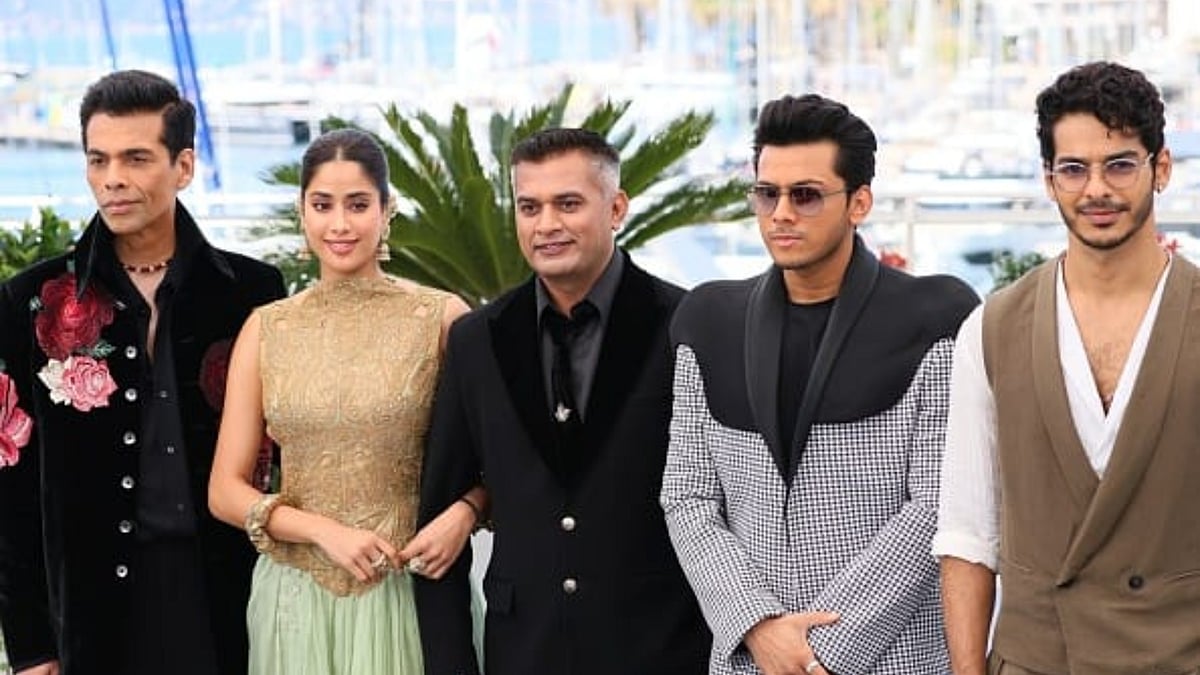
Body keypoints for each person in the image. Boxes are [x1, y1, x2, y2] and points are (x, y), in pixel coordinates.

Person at [662, 93, 979, 675]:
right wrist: (757, 626)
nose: (781, 212)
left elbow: (936, 505)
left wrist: (818, 651)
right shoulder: (708, 323)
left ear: (859, 202)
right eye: (767, 193)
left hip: (894, 659)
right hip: (753, 659)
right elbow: (687, 496)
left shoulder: (935, 318)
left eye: (805, 195)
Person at [0, 70, 286, 675]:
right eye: (98, 159)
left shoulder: (254, 294)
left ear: (183, 166)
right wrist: (29, 645)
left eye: (136, 158)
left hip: (227, 594)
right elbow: (10, 488)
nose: (113, 180)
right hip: (90, 607)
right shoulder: (29, 302)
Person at [935, 61, 1200, 675]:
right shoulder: (992, 329)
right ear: (1049, 180)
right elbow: (969, 534)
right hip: (1036, 660)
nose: (1096, 190)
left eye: (1120, 164)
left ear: (1161, 169)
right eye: (1073, 169)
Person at [414, 127, 711, 675]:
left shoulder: (686, 324)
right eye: (529, 207)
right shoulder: (476, 339)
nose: (546, 224)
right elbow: (438, 516)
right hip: (523, 651)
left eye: (567, 204)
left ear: (616, 207)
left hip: (661, 649)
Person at [207, 127, 478, 674]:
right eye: (322, 204)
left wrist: (467, 513)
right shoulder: (266, 329)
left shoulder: (442, 318)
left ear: (386, 211)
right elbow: (224, 491)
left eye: (358, 205)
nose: (339, 224)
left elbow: (500, 458)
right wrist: (321, 531)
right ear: (301, 212)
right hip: (296, 600)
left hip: (406, 591)